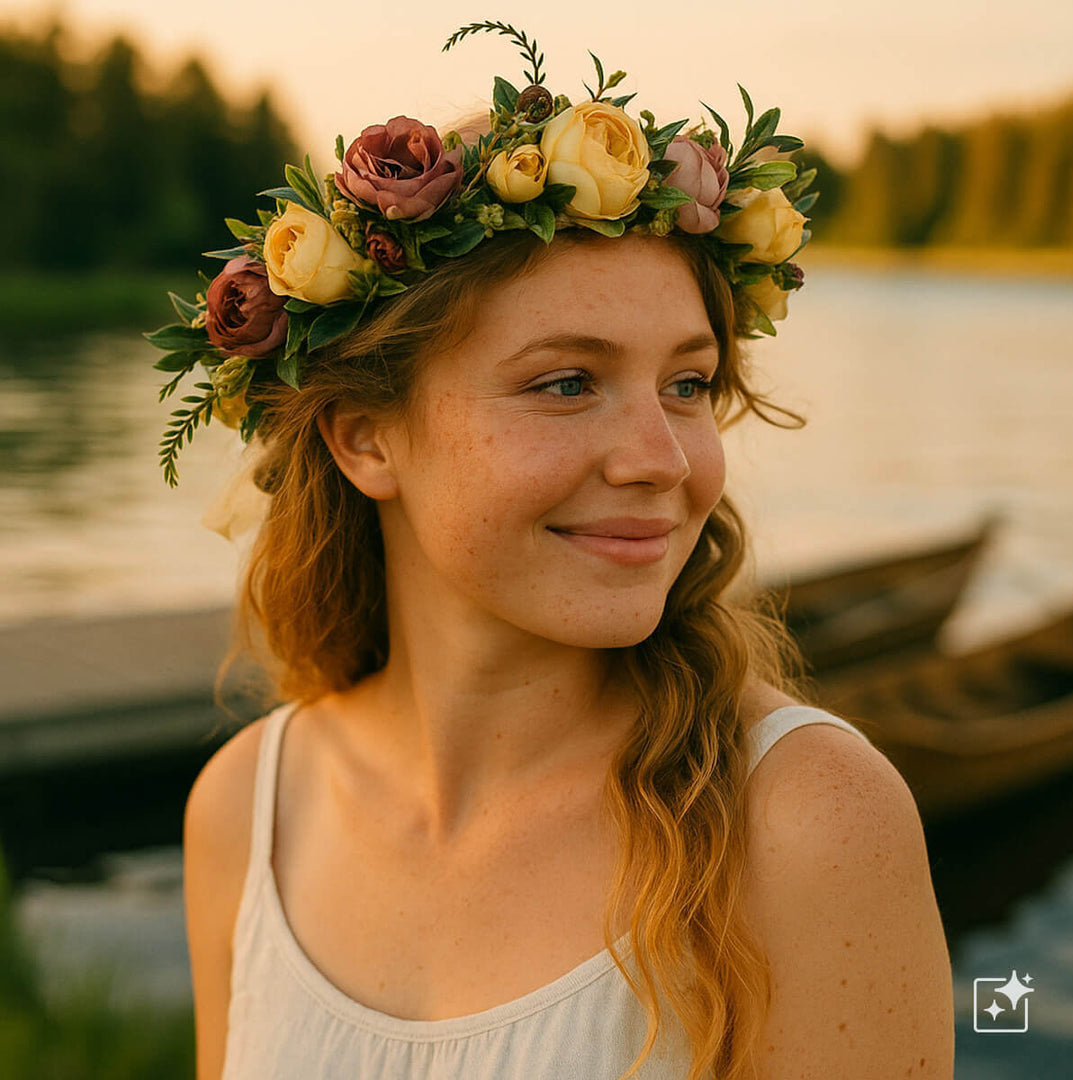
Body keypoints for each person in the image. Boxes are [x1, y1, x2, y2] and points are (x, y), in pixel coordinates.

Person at [170, 23, 954, 1080]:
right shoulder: (247, 813)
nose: (662, 460)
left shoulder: (805, 819)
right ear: (364, 437)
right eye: (566, 383)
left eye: (687, 384)